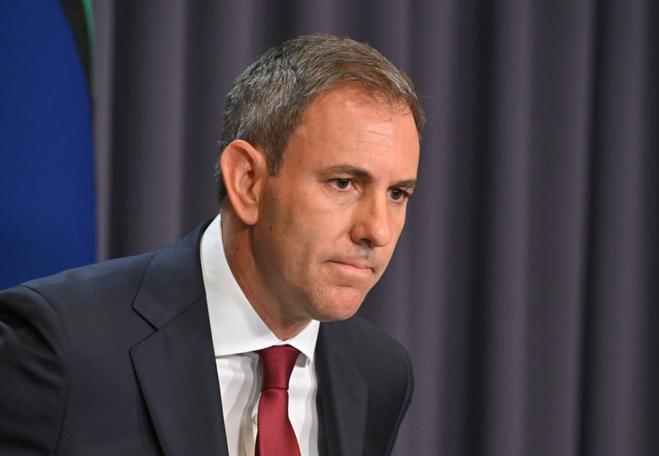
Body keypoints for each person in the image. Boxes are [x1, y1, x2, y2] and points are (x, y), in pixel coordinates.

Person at [0, 34, 424, 456]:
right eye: (344, 183)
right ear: (247, 182)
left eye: (397, 194)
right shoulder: (62, 344)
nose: (378, 231)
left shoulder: (379, 371)